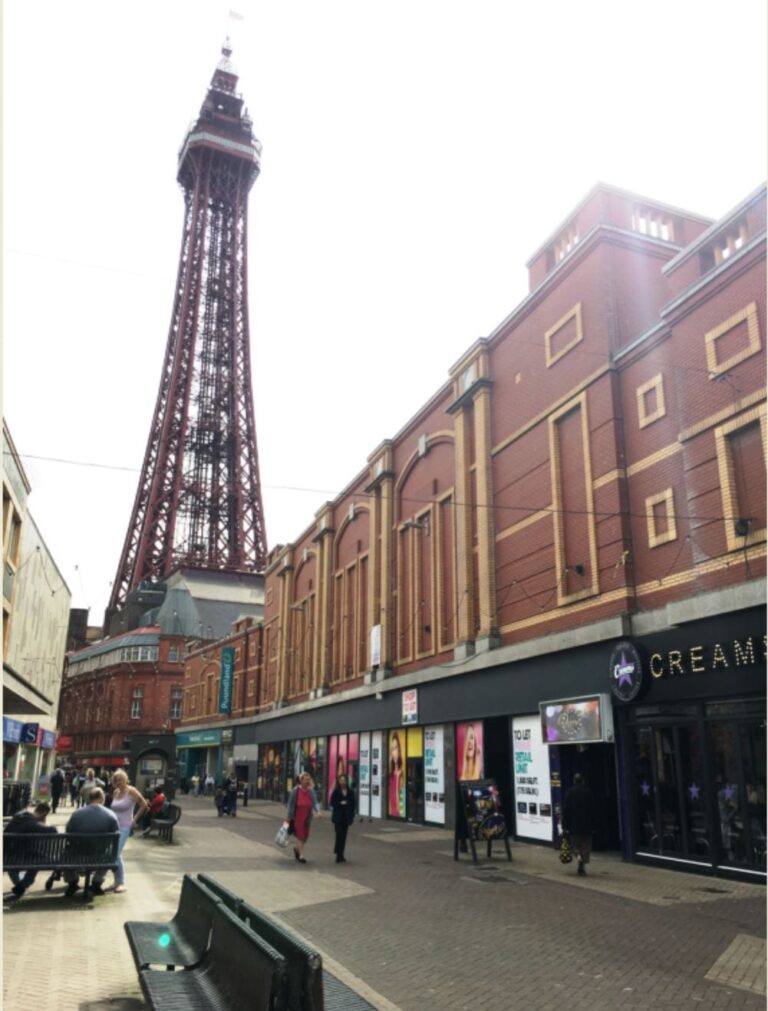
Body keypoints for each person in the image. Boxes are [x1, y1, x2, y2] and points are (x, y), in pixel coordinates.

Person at [62, 787, 118, 897]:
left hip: (76, 854)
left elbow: (68, 833)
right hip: (99, 854)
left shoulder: (77, 814)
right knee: (110, 855)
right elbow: (115, 836)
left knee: (65, 855)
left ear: (89, 798)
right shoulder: (111, 815)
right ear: (102, 798)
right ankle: (97, 882)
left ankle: (72, 882)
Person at [4, 802, 58, 898]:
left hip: (8, 855)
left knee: (18, 864)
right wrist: (47, 825)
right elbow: (52, 831)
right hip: (19, 856)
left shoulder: (19, 818)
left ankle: (20, 885)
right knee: (37, 860)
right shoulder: (30, 822)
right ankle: (22, 886)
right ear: (44, 813)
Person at [109, 770, 148, 893]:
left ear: (126, 779)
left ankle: (120, 882)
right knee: (115, 854)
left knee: (116, 853)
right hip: (113, 827)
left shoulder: (131, 791)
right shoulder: (115, 792)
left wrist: (134, 819)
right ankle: (117, 882)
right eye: (116, 780)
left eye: (121, 779)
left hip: (125, 826)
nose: (118, 782)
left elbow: (144, 804)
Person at [561, 773, 596, 876]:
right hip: (587, 826)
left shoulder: (569, 793)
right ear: (583, 781)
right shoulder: (588, 792)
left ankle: (578, 856)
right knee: (586, 845)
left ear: (574, 781)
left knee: (575, 845)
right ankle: (582, 863)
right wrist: (593, 825)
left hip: (573, 826)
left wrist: (565, 826)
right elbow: (592, 810)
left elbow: (566, 811)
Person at [287, 771, 320, 863]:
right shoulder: (295, 790)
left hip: (307, 817)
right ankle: (301, 855)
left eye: (309, 779)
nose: (308, 781)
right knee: (300, 836)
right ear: (301, 780)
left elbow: (315, 802)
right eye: (306, 779)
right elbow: (290, 804)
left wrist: (318, 811)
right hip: (298, 817)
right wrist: (289, 817)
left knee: (305, 837)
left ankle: (296, 848)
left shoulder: (311, 791)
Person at [330, 773, 356, 863]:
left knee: (344, 837)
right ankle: (338, 854)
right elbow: (332, 803)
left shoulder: (350, 792)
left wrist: (352, 816)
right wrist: (340, 803)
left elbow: (353, 804)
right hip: (338, 817)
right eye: (341, 780)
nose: (343, 782)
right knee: (339, 836)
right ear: (339, 781)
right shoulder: (336, 791)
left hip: (346, 817)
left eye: (344, 780)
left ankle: (342, 854)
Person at [389, 733, 405, 817]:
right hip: (392, 810)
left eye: (395, 748)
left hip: (399, 811)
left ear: (399, 750)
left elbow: (399, 793)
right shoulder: (391, 772)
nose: (393, 752)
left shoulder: (400, 771)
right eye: (392, 749)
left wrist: (398, 777)